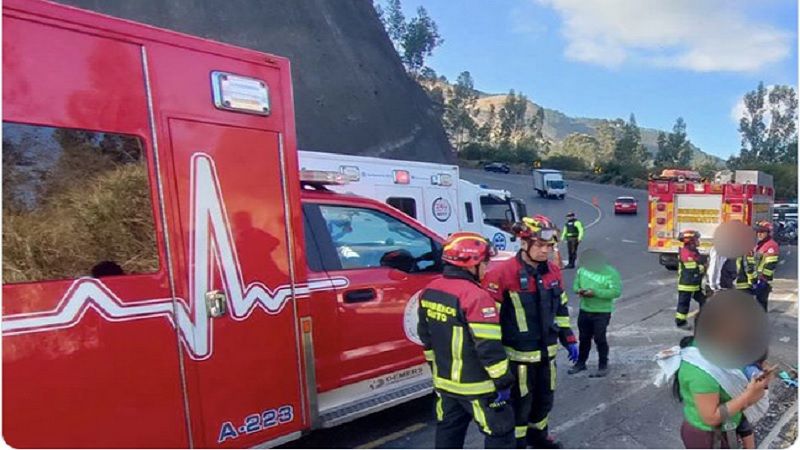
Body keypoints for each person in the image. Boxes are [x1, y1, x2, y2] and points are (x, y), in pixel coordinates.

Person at [484, 215, 578, 449]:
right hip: (519, 358)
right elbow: (488, 325)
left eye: (550, 246)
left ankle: (539, 438)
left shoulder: (553, 273)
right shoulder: (502, 275)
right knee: (521, 405)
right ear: (524, 243)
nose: (546, 250)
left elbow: (561, 308)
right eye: (540, 245)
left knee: (544, 401)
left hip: (547, 354)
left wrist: (569, 338)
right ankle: (518, 444)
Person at [417, 232, 515, 449]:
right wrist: (503, 381)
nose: (487, 268)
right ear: (472, 264)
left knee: (448, 433)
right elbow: (488, 347)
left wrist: (436, 369)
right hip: (477, 385)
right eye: (485, 262)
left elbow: (425, 337)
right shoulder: (476, 297)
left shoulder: (430, 290)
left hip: (445, 383)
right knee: (501, 431)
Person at [654, 296, 772, 449]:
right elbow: (711, 417)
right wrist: (748, 395)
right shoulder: (701, 372)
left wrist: (762, 380)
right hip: (709, 437)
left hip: (728, 426)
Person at [567, 249, 622, 378]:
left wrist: (595, 292)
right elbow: (575, 286)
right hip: (585, 310)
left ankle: (603, 365)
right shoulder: (582, 271)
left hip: (602, 312)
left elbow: (615, 292)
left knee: (599, 338)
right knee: (584, 338)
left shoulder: (610, 273)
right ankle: (581, 363)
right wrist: (579, 290)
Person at [676, 230, 706, 330]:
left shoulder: (693, 251)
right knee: (684, 304)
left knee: (704, 301)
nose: (698, 241)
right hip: (686, 284)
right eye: (696, 239)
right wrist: (702, 267)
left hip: (694, 284)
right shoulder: (686, 252)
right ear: (691, 241)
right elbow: (692, 267)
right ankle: (680, 322)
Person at [748, 221, 780, 311]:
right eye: (758, 232)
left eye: (762, 232)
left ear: (768, 232)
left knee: (761, 306)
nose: (759, 234)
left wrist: (763, 280)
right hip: (756, 279)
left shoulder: (771, 246)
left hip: (763, 281)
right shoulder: (760, 244)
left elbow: (770, 265)